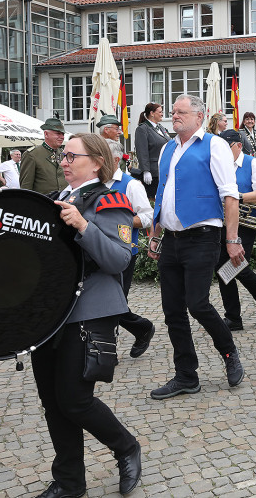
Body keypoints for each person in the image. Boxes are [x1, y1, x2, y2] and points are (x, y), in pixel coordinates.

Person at [34, 133, 141, 498]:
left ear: (96, 161)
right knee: (52, 402)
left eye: (71, 156)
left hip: (88, 311)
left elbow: (118, 259)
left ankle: (125, 446)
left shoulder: (111, 200)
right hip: (48, 315)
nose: (63, 161)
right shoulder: (52, 200)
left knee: (75, 399)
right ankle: (69, 482)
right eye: (62, 156)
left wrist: (83, 225)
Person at [147, 94, 245, 400]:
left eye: (181, 112)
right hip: (172, 240)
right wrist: (155, 231)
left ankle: (229, 352)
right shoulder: (167, 148)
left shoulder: (214, 145)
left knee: (198, 303)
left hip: (203, 235)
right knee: (172, 310)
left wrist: (232, 240)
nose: (174, 116)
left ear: (199, 117)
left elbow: (230, 195)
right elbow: (162, 192)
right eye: (173, 112)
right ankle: (186, 375)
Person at [216, 129, 256, 330]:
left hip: (245, 222)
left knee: (236, 265)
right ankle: (233, 317)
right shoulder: (218, 164)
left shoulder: (252, 163)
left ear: (238, 146)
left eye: (226, 147)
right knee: (221, 267)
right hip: (221, 221)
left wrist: (238, 197)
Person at [106, 140, 156, 359]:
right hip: (96, 251)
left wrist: (119, 221)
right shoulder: (91, 182)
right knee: (105, 302)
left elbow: (147, 216)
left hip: (123, 253)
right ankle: (140, 328)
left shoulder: (130, 185)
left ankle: (109, 351)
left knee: (113, 303)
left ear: (116, 160)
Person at [19, 117, 66, 194]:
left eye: (63, 134)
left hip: (64, 202)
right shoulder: (32, 155)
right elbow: (26, 187)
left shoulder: (63, 153)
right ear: (46, 134)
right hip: (43, 203)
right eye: (58, 133)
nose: (62, 137)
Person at [134, 102, 170, 199]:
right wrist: (146, 170)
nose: (162, 114)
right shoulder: (143, 129)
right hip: (152, 173)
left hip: (163, 170)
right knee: (153, 200)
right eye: (160, 112)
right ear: (152, 113)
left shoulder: (161, 128)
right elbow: (142, 151)